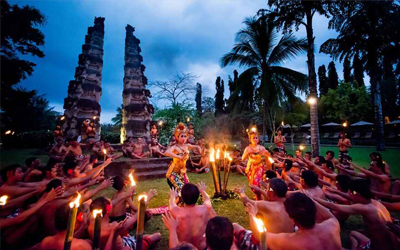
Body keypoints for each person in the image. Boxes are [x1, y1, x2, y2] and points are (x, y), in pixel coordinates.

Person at [314, 179, 400, 250]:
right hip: (393, 244)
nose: (349, 195)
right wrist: (336, 192)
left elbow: (333, 206)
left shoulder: (365, 208)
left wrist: (313, 199)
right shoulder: (375, 203)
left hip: (382, 248)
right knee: (353, 233)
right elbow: (351, 197)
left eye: (349, 193)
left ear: (357, 194)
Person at [248, 193, 342, 250]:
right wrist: (311, 200)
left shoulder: (291, 241)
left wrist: (252, 214)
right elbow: (329, 214)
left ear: (292, 220)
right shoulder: (332, 225)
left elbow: (260, 236)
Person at [87, 197, 161, 250]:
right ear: (108, 209)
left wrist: (125, 195)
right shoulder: (113, 227)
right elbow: (136, 217)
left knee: (144, 236)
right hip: (126, 245)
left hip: (122, 241)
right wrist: (147, 200)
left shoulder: (90, 222)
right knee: (157, 235)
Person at [168, 182, 216, 250]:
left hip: (184, 248)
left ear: (182, 197)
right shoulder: (205, 209)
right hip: (202, 247)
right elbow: (207, 200)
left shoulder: (175, 211)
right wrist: (203, 191)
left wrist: (173, 195)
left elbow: (171, 203)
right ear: (197, 196)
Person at [165, 123, 201, 193]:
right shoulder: (175, 147)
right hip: (173, 173)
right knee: (181, 191)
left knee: (188, 190)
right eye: (182, 136)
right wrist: (178, 156)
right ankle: (174, 202)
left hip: (182, 172)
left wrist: (198, 148)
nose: (183, 138)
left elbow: (196, 146)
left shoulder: (187, 146)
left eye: (185, 136)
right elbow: (167, 152)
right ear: (177, 137)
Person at [242, 127, 271, 200]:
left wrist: (265, 155)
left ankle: (259, 197)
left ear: (258, 139)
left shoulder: (261, 148)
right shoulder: (248, 148)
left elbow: (267, 156)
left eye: (256, 138)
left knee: (256, 183)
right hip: (251, 168)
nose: (255, 139)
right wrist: (248, 153)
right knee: (251, 184)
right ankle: (258, 194)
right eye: (253, 138)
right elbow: (243, 159)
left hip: (259, 168)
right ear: (250, 139)